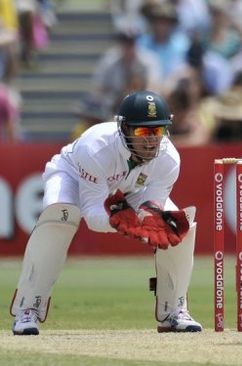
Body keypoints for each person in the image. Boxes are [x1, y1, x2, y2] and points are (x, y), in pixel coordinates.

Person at [10, 90, 202, 335]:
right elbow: (91, 214)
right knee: (59, 215)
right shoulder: (96, 147)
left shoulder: (169, 159)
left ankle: (174, 310)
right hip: (71, 175)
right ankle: (28, 309)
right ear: (124, 129)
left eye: (158, 130)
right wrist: (123, 221)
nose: (152, 140)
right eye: (143, 131)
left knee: (176, 225)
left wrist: (147, 219)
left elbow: (152, 206)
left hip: (131, 188)